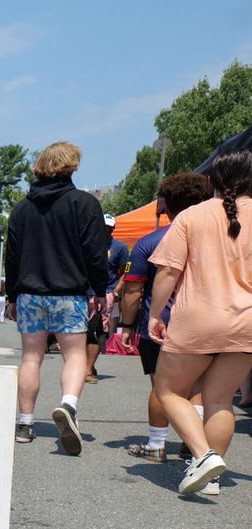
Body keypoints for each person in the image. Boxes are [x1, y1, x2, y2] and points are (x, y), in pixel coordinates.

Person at [148, 150, 252, 495]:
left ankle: (202, 455)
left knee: (168, 390)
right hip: (247, 323)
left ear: (212, 181)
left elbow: (167, 271)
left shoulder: (193, 216)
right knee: (220, 399)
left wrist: (154, 314)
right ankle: (210, 475)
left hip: (199, 317)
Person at [4, 141, 108, 453]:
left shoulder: (22, 208)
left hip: (30, 294)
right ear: (72, 166)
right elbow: (94, 252)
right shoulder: (84, 203)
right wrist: (99, 290)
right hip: (69, 292)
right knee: (74, 356)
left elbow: (13, 255)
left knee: (31, 358)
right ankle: (68, 406)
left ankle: (24, 422)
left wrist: (11, 295)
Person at [116, 173, 212, 469]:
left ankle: (156, 445)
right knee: (199, 385)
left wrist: (128, 326)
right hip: (210, 324)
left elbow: (132, 290)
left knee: (163, 387)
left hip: (164, 325)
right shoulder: (222, 237)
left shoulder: (149, 242)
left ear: (167, 207)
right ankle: (191, 442)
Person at [85, 214, 130, 383]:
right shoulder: (87, 244)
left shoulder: (120, 247)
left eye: (109, 227)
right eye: (103, 226)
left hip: (107, 293)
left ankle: (88, 369)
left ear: (113, 229)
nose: (106, 229)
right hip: (85, 293)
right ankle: (87, 365)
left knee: (97, 330)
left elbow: (127, 271)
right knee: (82, 331)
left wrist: (116, 291)